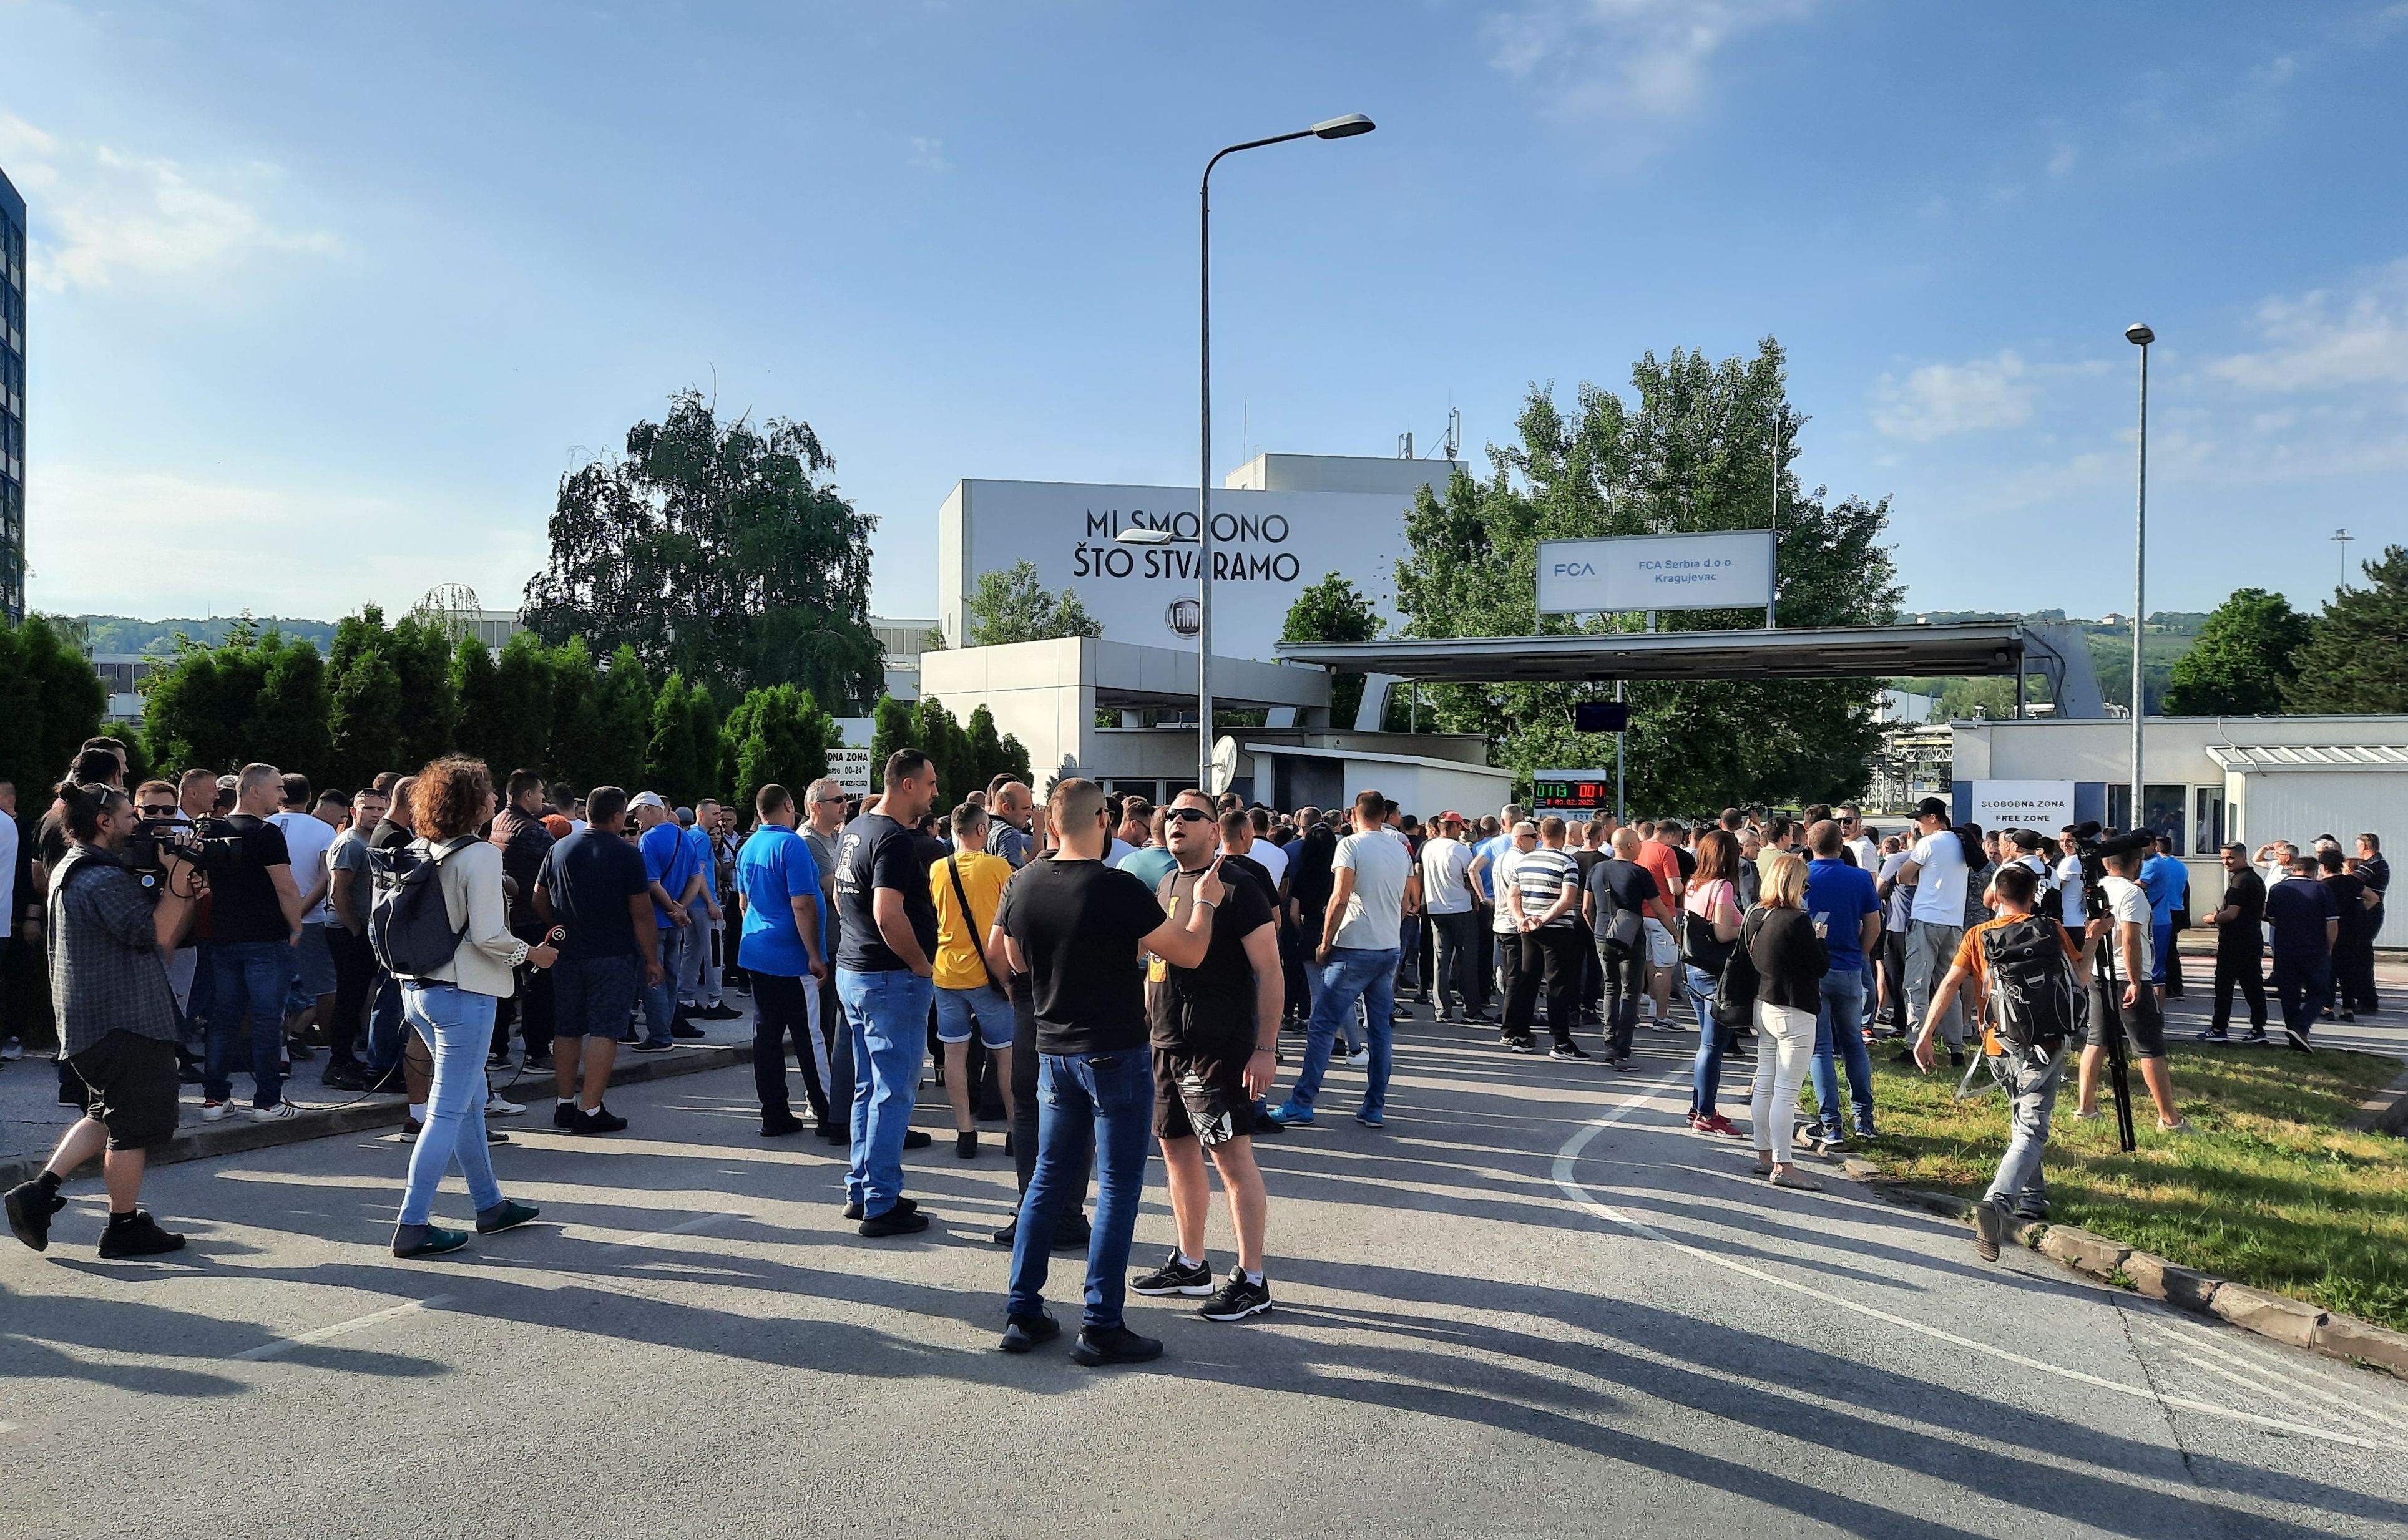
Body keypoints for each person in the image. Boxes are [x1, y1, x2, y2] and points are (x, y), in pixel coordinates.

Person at [996, 777, 1221, 1364]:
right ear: (1102, 820)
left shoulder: (1022, 883)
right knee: (1118, 1186)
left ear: (1051, 823)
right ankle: (1101, 1324)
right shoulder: (1118, 887)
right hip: (1114, 1051)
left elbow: (1011, 956)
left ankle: (1023, 1311)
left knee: (1047, 1180)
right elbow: (1190, 951)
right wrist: (1205, 902)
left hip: (1052, 1048)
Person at [3, 781, 200, 1257]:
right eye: (130, 815)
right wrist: (180, 878)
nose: (138, 824)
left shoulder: (73, 868)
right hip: (124, 1022)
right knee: (133, 1127)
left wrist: (179, 889)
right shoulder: (102, 877)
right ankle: (123, 1227)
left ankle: (39, 1192)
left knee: (105, 1115)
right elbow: (155, 934)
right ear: (104, 822)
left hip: (94, 1024)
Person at [388, 757, 554, 1257]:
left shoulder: (420, 847)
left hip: (417, 989)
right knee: (448, 1110)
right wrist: (533, 954)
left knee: (467, 1102)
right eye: (487, 791)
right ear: (475, 803)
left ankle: (490, 1204)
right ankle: (412, 1223)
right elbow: (488, 936)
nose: (494, 798)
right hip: (464, 993)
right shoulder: (479, 854)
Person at [1129, 799, 1281, 1322]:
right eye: (1171, 815)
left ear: (1215, 831)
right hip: (1166, 1043)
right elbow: (1156, 962)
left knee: (1232, 1160)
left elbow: (1271, 970)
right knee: (1176, 1150)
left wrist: (1265, 1048)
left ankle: (1252, 1279)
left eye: (1190, 816)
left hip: (1218, 1047)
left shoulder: (1238, 886)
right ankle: (1191, 1263)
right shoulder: (1167, 883)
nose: (1177, 821)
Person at [1910, 862, 2089, 1256]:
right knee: (2031, 1129)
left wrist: (1924, 1036)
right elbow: (2081, 978)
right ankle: (1998, 1203)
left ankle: (2033, 1198)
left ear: (1997, 894)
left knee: (2021, 1124)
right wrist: (2093, 939)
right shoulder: (2050, 929)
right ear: (2033, 895)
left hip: (1998, 1042)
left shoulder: (1978, 935)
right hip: (2045, 1043)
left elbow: (1950, 984)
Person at [832, 749, 944, 1237]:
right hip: (889, 978)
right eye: (930, 783)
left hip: (856, 971)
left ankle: (862, 1188)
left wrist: (859, 941)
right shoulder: (894, 839)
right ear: (907, 785)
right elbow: (887, 912)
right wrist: (919, 963)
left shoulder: (856, 829)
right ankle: (881, 1201)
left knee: (869, 1088)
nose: (935, 792)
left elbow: (839, 896)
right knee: (893, 1093)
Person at [1268, 790, 1416, 1129]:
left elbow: (1339, 897)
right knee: (1379, 1030)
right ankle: (1374, 1106)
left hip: (1353, 945)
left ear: (1352, 815)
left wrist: (1325, 942)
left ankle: (1302, 1103)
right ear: (1384, 815)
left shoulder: (1350, 845)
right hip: (1387, 947)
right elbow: (1407, 899)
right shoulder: (1399, 847)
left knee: (1322, 1026)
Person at [531, 785, 657, 1135]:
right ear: (617, 816)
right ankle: (590, 1109)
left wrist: (557, 926)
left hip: (567, 951)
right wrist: (652, 959)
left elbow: (538, 899)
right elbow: (642, 914)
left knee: (567, 1028)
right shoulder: (627, 854)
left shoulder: (558, 848)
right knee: (605, 1030)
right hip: (612, 953)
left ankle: (565, 1104)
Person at [201, 764, 310, 1123]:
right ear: (255, 790)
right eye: (278, 788)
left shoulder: (212, 830)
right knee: (267, 1021)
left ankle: (215, 1099)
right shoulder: (267, 833)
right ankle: (267, 1102)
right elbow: (286, 887)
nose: (283, 795)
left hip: (223, 938)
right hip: (266, 940)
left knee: (223, 1020)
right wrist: (296, 928)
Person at [2070, 843, 2194, 1130]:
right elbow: (2130, 938)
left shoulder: (2099, 889)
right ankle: (2170, 1119)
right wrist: (2137, 981)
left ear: (2106, 863)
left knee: (2097, 1040)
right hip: (2128, 976)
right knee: (2149, 1047)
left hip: (2100, 972)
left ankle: (2086, 1108)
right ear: (2137, 863)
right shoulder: (2132, 893)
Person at [733, 783, 832, 1138]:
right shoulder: (792, 844)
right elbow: (803, 904)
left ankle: (773, 1112)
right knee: (810, 1035)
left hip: (757, 951)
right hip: (791, 956)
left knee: (767, 1035)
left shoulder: (748, 846)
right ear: (789, 806)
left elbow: (743, 902)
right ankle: (827, 1111)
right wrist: (814, 954)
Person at [929, 801, 1014, 1157]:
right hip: (988, 972)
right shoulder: (998, 866)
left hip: (947, 971)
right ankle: (1015, 1131)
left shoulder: (938, 868)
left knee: (954, 1054)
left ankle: (965, 1131)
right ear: (982, 830)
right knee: (1004, 1055)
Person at [1746, 852, 1828, 1190]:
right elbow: (1819, 967)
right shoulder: (1797, 921)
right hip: (1794, 1008)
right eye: (1805, 884)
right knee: (1786, 1091)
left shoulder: (1757, 914)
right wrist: (1820, 939)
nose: (1807, 890)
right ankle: (1784, 1164)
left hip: (1763, 1003)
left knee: (1765, 1081)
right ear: (1795, 884)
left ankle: (1764, 1153)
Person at [1802, 819, 1882, 1150]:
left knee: (1820, 1048)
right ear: (1841, 844)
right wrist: (1860, 956)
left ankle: (1831, 1124)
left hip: (1812, 969)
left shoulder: (1802, 876)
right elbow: (1874, 925)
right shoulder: (1860, 878)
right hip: (1849, 966)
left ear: (1810, 844)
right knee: (1853, 1044)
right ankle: (1864, 1119)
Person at [268, 774, 340, 1071]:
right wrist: (298, 911)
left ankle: (281, 1043)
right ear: (310, 798)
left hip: (270, 919)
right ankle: (329, 1044)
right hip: (310, 918)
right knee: (324, 985)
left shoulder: (266, 825)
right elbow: (326, 877)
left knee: (274, 984)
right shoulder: (324, 830)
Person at [489, 768, 559, 1075]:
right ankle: (538, 1051)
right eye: (541, 793)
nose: (543, 799)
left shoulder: (499, 822)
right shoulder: (530, 831)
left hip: (506, 916)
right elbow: (556, 867)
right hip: (531, 917)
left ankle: (496, 1048)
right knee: (538, 987)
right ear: (528, 794)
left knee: (505, 988)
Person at [1501, 816, 1588, 1060]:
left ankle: (1520, 1035)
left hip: (1528, 928)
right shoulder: (1568, 862)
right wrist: (1544, 918)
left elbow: (1513, 896)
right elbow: (1567, 899)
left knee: (1527, 981)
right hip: (1556, 929)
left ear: (1540, 835)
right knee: (1557, 984)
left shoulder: (1525, 861)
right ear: (1564, 836)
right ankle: (1561, 1041)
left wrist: (1521, 919)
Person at [323, 786, 390, 1088]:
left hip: (362, 929)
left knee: (359, 997)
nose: (376, 815)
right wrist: (355, 930)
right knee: (348, 999)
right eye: (370, 809)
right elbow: (338, 892)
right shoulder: (351, 843)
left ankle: (346, 1057)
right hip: (346, 930)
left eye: (381, 809)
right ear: (354, 811)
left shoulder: (371, 840)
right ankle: (337, 1063)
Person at [1674, 830, 1743, 1121]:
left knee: (1707, 1043)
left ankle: (1698, 1106)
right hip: (1716, 972)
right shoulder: (1722, 887)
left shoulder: (1693, 884)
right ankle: (1705, 1113)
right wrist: (1750, 927)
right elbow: (1723, 932)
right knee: (1713, 1046)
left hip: (1694, 967)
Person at [1897, 797, 1969, 1068]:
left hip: (1927, 919)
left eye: (1920, 819)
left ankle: (1915, 1043)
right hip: (1954, 921)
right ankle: (1956, 1048)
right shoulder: (1961, 842)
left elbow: (1904, 875)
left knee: (1916, 984)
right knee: (1948, 986)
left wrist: (1917, 864)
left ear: (1933, 818)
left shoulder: (1928, 843)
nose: (1917, 824)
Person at [800, 777, 853, 1142]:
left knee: (833, 1023)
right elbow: (833, 885)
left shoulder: (833, 837)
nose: (844, 805)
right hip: (824, 945)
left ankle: (832, 1095)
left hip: (838, 941)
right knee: (822, 1025)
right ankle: (817, 1098)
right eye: (838, 800)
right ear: (817, 806)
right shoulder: (809, 840)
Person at [631, 792, 702, 1050]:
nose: (636, 821)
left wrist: (672, 908)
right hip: (677, 923)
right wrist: (682, 907)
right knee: (672, 976)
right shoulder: (685, 836)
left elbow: (652, 883)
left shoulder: (648, 839)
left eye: (637, 814)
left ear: (649, 810)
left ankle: (660, 1036)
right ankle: (667, 1028)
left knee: (652, 977)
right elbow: (696, 878)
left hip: (654, 921)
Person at [2264, 852, 2339, 1052]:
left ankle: (2295, 1033)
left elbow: (2272, 919)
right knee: (2319, 992)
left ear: (2294, 870)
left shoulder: (2278, 889)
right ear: (2314, 872)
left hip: (2285, 949)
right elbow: (2332, 924)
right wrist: (2329, 948)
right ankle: (2301, 1028)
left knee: (2289, 993)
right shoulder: (2322, 889)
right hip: (2314, 948)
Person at [2198, 841, 2268, 1044]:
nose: (2226, 862)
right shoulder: (2255, 879)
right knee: (2253, 986)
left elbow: (2231, 914)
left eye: (2230, 858)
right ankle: (2258, 1029)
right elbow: (2261, 911)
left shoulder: (2240, 882)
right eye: (2223, 858)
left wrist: (2213, 918)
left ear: (2242, 857)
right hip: (2252, 938)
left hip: (2235, 942)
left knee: (2225, 986)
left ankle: (2219, 1028)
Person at [1420, 811, 1481, 1023]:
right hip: (1460, 909)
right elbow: (1469, 878)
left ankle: (1442, 1009)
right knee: (1467, 960)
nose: (1461, 832)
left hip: (1436, 908)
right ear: (1453, 827)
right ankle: (1471, 1009)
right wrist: (1476, 899)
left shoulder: (1428, 847)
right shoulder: (1460, 850)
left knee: (1440, 960)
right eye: (1460, 828)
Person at [2321, 846, 2372, 1023]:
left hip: (2329, 929)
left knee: (2329, 970)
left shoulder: (2323, 885)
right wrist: (2360, 911)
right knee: (2348, 972)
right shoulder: (2352, 882)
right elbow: (2373, 898)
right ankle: (2348, 1008)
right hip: (2351, 931)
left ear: (2323, 866)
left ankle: (2328, 1007)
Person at [2138, 836, 2187, 1006]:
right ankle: (2176, 988)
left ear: (2156, 847)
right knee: (2170, 952)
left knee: (2157, 955)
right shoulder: (2181, 866)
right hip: (2176, 908)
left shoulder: (2154, 864)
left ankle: (2164, 992)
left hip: (2159, 911)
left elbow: (2141, 884)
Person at [2344, 833, 2387, 1015]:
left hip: (2368, 913)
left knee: (2361, 957)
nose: (2357, 849)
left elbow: (2352, 883)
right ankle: (2361, 996)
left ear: (2365, 846)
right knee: (2359, 956)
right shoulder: (2378, 863)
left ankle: (2367, 1000)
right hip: (2370, 913)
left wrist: (2345, 874)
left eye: (2358, 845)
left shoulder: (2372, 865)